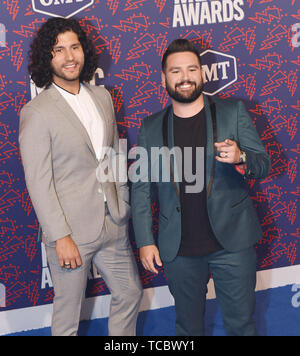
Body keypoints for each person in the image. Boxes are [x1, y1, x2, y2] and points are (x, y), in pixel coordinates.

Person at [131, 39, 270, 336]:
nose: (185, 77)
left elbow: (264, 164)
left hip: (232, 244)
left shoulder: (233, 111)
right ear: (164, 78)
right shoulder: (150, 127)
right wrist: (145, 240)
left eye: (192, 69)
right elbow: (141, 189)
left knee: (241, 326)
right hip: (178, 249)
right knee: (187, 328)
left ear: (203, 74)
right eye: (176, 71)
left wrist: (241, 157)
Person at [19, 17, 142, 336]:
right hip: (70, 233)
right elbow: (39, 182)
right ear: (47, 58)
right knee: (68, 315)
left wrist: (122, 203)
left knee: (130, 294)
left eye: (74, 46)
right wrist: (60, 237)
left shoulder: (102, 97)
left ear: (84, 51)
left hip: (112, 222)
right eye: (58, 50)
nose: (69, 56)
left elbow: (114, 154)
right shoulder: (37, 112)